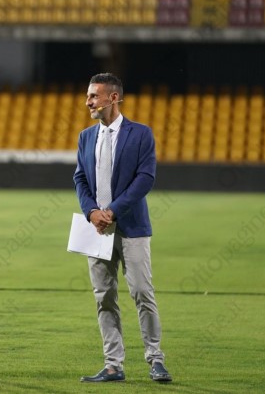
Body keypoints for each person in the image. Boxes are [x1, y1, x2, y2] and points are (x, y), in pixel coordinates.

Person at [73, 73, 172, 383]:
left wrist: (112, 211)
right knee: (104, 296)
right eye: (88, 96)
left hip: (131, 226)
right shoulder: (85, 136)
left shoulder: (141, 134)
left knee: (142, 292)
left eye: (93, 96)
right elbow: (80, 178)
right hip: (97, 229)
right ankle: (113, 364)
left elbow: (145, 178)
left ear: (113, 98)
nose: (88, 102)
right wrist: (91, 212)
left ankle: (155, 359)